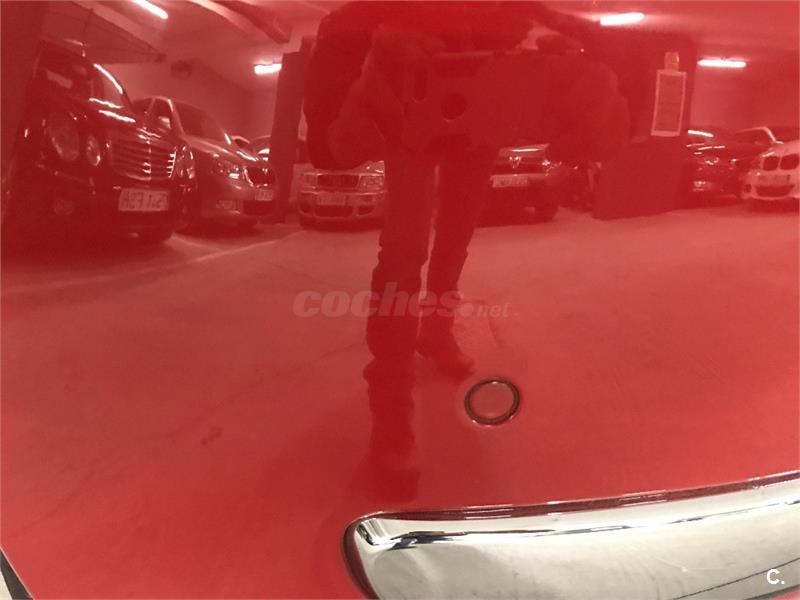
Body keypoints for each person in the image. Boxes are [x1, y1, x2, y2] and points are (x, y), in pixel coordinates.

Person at [304, 1, 629, 499]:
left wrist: (553, 42)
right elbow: (357, 20)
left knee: (456, 235)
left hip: (480, 101)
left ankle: (435, 332)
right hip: (415, 94)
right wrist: (385, 45)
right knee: (404, 253)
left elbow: (524, 15)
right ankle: (391, 415)